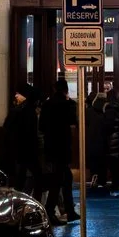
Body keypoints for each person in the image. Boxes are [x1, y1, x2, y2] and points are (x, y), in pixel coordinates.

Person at [39, 80, 78, 221]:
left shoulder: (47, 105)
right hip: (63, 146)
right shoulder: (68, 105)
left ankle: (69, 210)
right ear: (66, 90)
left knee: (65, 178)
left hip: (51, 146)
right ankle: (50, 211)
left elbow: (41, 126)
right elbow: (74, 120)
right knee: (59, 180)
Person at [1, 85, 42, 195]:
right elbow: (31, 133)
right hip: (27, 150)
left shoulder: (18, 110)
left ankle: (21, 198)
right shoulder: (30, 112)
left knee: (21, 176)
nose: (16, 96)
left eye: (18, 94)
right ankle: (32, 200)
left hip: (18, 149)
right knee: (36, 176)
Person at [96, 82, 119, 195]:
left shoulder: (109, 111)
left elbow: (106, 127)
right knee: (116, 167)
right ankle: (115, 188)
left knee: (113, 168)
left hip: (112, 144)